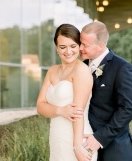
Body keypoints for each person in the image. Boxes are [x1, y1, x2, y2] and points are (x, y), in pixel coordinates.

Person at [80, 21, 132, 160]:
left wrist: (99, 138)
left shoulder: (122, 68)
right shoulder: (80, 67)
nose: (80, 48)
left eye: (85, 45)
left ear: (101, 45)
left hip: (114, 149)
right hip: (83, 146)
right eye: (80, 43)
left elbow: (128, 109)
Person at [37, 24, 96, 161]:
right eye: (63, 47)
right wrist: (60, 111)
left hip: (77, 138)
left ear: (79, 46)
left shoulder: (81, 70)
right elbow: (40, 106)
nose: (68, 51)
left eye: (73, 46)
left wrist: (77, 147)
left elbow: (78, 112)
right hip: (57, 138)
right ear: (57, 48)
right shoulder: (52, 71)